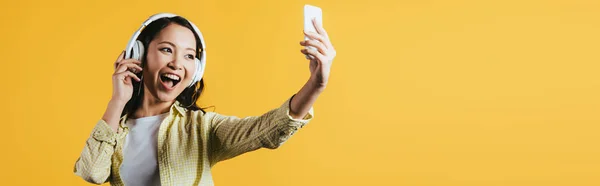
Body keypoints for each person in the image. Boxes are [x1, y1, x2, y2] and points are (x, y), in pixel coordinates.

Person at [73, 13, 336, 186]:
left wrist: (316, 85)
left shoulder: (202, 129)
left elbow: (267, 131)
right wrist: (117, 101)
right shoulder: (115, 131)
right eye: (166, 50)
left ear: (196, 70)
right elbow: (92, 172)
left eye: (189, 56)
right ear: (139, 54)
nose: (177, 63)